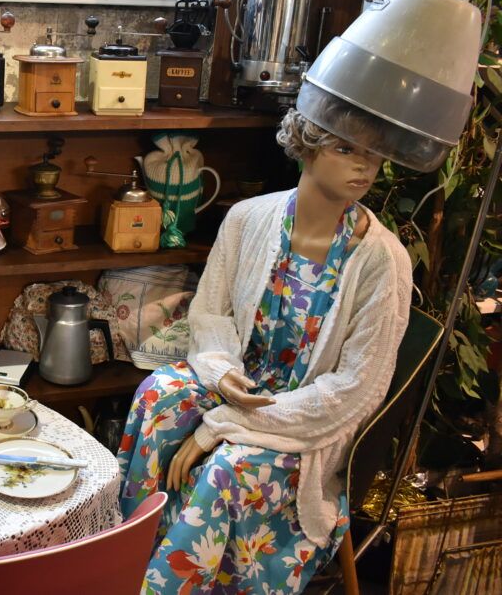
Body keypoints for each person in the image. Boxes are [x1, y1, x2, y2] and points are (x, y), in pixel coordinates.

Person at [118, 98, 412, 593]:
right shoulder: (247, 218)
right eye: (346, 148)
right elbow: (211, 312)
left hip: (308, 420)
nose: (366, 166)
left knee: (228, 468)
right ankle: (127, 558)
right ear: (307, 146)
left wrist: (224, 425)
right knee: (158, 396)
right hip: (242, 382)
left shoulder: (383, 261)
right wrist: (220, 371)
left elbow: (356, 390)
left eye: (374, 153)